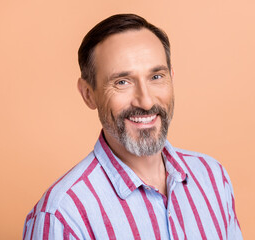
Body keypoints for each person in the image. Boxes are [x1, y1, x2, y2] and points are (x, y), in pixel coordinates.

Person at [23, 14, 243, 240]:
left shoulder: (213, 178)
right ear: (88, 94)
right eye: (122, 82)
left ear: (172, 78)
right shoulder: (62, 216)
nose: (146, 101)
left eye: (156, 76)